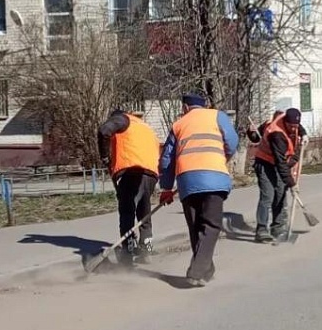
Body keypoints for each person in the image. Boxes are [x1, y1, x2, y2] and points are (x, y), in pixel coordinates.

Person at [158, 94, 239, 287]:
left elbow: (166, 159)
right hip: (214, 177)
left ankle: (205, 270)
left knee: (196, 227)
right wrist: (222, 156)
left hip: (187, 180)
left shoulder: (178, 125)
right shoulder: (217, 116)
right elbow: (233, 141)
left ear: (185, 107)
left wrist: (166, 188)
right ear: (205, 105)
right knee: (210, 226)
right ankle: (197, 270)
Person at [98, 108, 161, 265]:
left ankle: (127, 252)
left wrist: (105, 157)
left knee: (127, 211)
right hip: (151, 173)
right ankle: (146, 247)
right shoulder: (144, 126)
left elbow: (104, 131)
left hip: (130, 172)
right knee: (144, 209)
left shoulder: (122, 120)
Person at [251, 108, 304, 243]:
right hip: (265, 163)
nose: (294, 129)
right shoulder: (276, 134)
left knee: (280, 193)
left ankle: (278, 227)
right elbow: (281, 164)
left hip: (279, 163)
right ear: (285, 122)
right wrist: (292, 184)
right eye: (291, 126)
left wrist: (304, 134)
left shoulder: (291, 121)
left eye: (296, 126)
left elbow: (299, 127)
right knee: (268, 196)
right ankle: (261, 229)